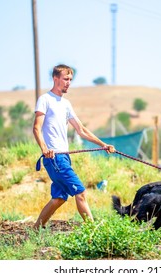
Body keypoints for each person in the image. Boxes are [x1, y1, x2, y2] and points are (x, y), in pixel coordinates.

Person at [32, 64, 115, 229]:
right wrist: (44, 149)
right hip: (54, 157)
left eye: (70, 79)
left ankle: (36, 230)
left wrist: (103, 144)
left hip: (64, 157)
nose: (68, 82)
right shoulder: (45, 100)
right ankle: (93, 232)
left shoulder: (66, 104)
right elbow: (36, 128)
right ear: (55, 78)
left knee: (59, 198)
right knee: (81, 193)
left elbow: (81, 130)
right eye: (65, 79)